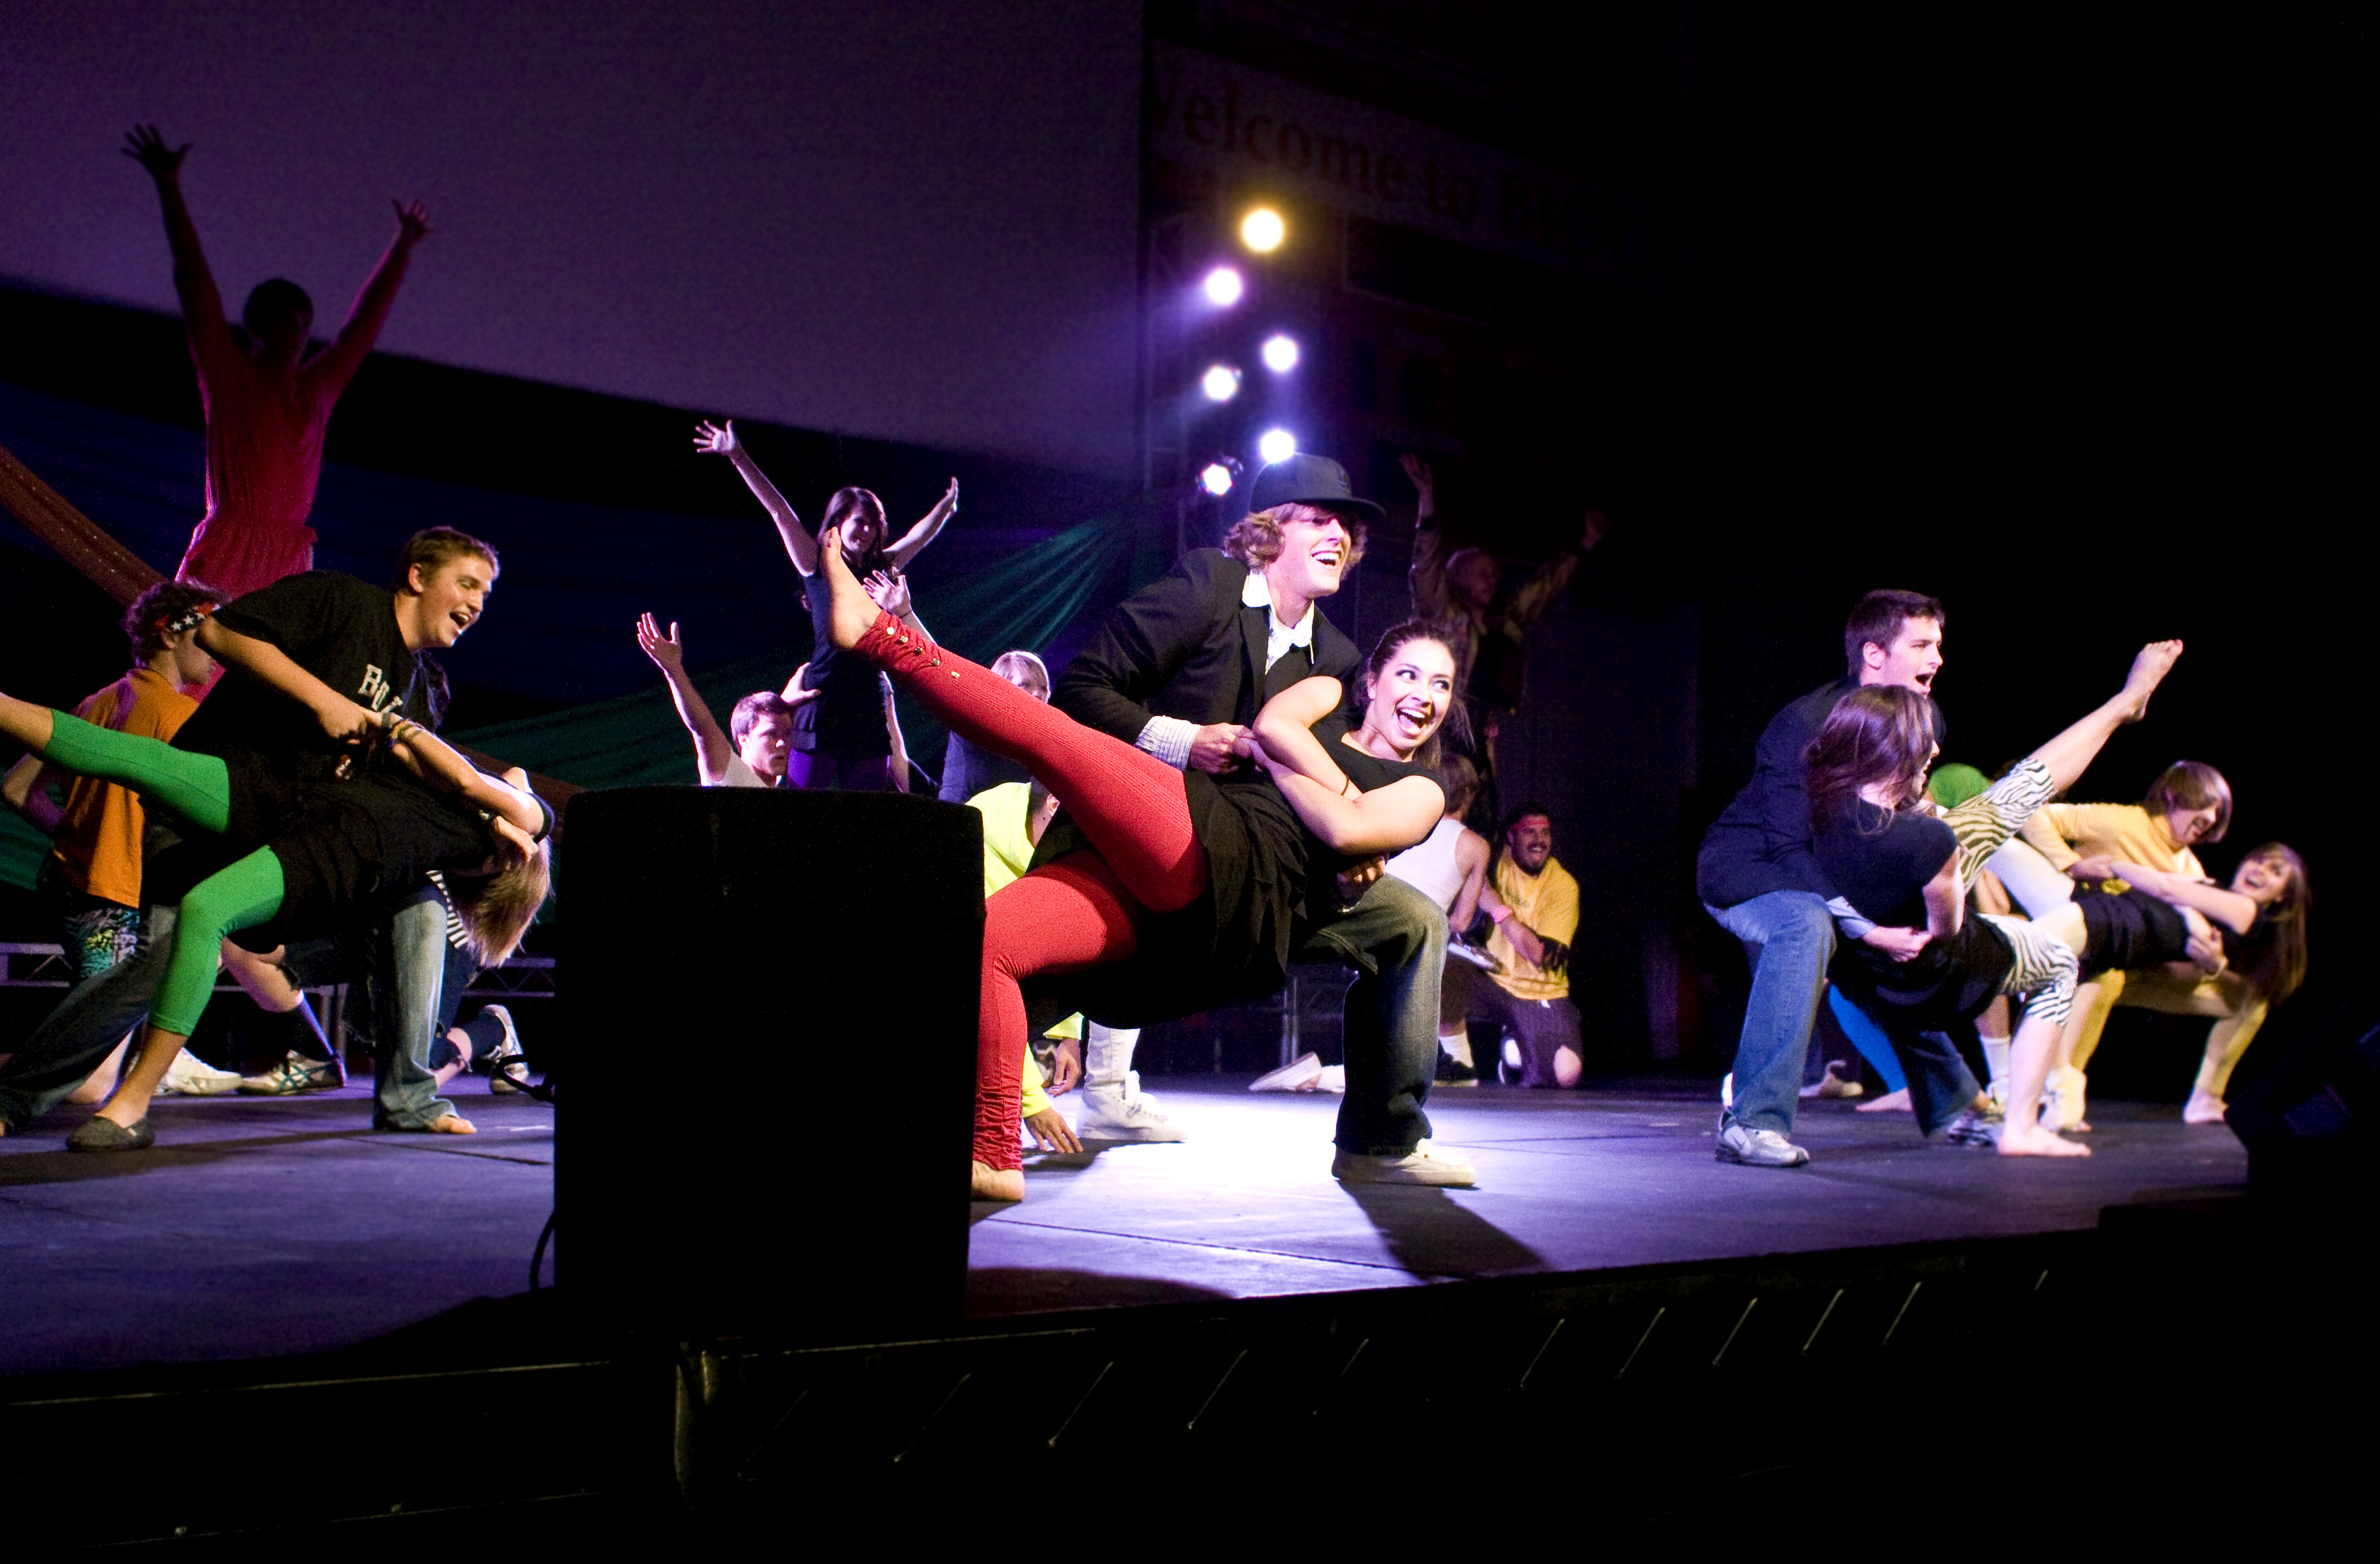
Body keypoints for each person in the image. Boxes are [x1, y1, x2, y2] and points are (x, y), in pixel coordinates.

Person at [810, 520, 1458, 1200]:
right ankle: (994, 1152)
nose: (1422, 695)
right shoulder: (1319, 686)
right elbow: (1270, 725)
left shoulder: (1421, 788)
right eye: (1408, 675)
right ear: (1372, 681)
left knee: (1054, 740)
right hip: (1178, 845)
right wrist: (1295, 768)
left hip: (1228, 864)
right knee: (987, 944)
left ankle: (882, 635)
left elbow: (1345, 820)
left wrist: (1301, 781)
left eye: (1441, 687)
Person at [1048, 454, 1449, 1157]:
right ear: (1268, 532)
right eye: (1319, 518)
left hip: (1261, 871)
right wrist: (1183, 740)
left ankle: (1382, 1142)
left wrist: (1355, 852)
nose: (1339, 535)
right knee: (1040, 963)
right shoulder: (1210, 585)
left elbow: (1309, 772)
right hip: (1154, 840)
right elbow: (1081, 689)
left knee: (1413, 922)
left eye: (1348, 526)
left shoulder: (1335, 655)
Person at [0, 679, 550, 1152]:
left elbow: (476, 782)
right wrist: (469, 789)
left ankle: (135, 1100)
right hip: (307, 815)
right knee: (149, 780)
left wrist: (402, 729)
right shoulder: (497, 816)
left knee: (208, 912)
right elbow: (503, 778)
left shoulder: (483, 842)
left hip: (339, 852)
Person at [1807, 640, 2185, 1159]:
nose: (1935, 751)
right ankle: (2021, 1123)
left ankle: (2123, 705)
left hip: (1876, 977)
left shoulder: (1825, 820)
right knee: (2055, 963)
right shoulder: (1929, 840)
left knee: (2018, 791)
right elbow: (1945, 929)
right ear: (1895, 752)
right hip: (1936, 972)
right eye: (1924, 742)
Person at [124, 126, 431, 602]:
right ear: (256, 327)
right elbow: (196, 287)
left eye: (305, 324)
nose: (300, 334)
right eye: (288, 323)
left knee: (265, 675)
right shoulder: (231, 377)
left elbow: (360, 330)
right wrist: (168, 186)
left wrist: (401, 249)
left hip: (287, 555)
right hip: (230, 542)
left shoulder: (315, 392)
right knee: (187, 669)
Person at [1696, 590, 1949, 1168]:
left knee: (1892, 954)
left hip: (1826, 873)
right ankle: (1751, 1124)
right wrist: (1863, 926)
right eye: (1920, 645)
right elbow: (1786, 845)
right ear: (1874, 654)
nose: (1935, 657)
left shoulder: (1922, 719)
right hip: (1748, 865)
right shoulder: (1805, 723)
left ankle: (1963, 1108)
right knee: (1806, 924)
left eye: (1938, 644)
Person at [0, 579, 241, 1100]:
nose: (219, 652)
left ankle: (157, 1055)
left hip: (74, 884)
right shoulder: (179, 717)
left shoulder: (98, 701)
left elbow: (16, 787)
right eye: (210, 634)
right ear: (173, 635)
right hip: (114, 900)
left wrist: (77, 832)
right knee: (89, 1084)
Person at [692, 418, 956, 790]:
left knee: (865, 813)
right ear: (838, 521)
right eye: (859, 522)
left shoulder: (882, 569)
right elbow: (780, 512)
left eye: (874, 525)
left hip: (867, 706)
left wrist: (946, 508)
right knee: (802, 807)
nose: (867, 531)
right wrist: (737, 456)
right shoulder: (816, 564)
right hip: (822, 702)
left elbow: (918, 536)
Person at [2037, 842, 2309, 1126]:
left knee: (2251, 999)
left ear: (2283, 896)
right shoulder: (2210, 884)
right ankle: (2062, 1089)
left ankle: (2204, 1097)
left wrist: (2215, 965)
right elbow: (2165, 887)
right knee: (2105, 977)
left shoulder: (2244, 907)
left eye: (2275, 871)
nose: (2261, 870)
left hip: (2140, 971)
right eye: (2259, 860)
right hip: (2123, 961)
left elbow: (2168, 891)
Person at [1402, 454, 1606, 830]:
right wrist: (1427, 501)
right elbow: (1426, 565)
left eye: (1495, 574)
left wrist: (1587, 542)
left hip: (1481, 733)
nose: (1492, 579)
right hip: (1443, 729)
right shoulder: (1441, 612)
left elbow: (1543, 589)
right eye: (1482, 573)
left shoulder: (1504, 619)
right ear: (1459, 576)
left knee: (1482, 820)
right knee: (1433, 812)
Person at [1383, 754, 1502, 1084]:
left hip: (1369, 930)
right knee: (1453, 960)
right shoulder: (1476, 846)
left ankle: (1451, 1066)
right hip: (1412, 943)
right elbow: (1462, 922)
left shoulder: (1403, 822)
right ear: (1470, 794)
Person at [1470, 804, 1585, 1087]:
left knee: (1566, 1074)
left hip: (1538, 990)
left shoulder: (1562, 885)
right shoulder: (1494, 864)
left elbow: (1539, 955)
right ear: (1510, 838)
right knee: (1438, 976)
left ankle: (1515, 1051)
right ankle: (1452, 1065)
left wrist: (1498, 909)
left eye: (1545, 833)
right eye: (1530, 833)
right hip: (1490, 980)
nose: (1539, 841)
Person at [634, 612, 817, 788]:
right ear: (743, 740)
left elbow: (771, 720)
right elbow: (703, 728)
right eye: (771, 735)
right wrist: (674, 671)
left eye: (787, 734)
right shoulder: (730, 775)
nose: (782, 743)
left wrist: (784, 705)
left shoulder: (777, 781)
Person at [940, 652, 1052, 803]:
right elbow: (943, 669)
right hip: (960, 818)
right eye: (1025, 685)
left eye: (1043, 688)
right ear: (1000, 686)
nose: (1037, 694)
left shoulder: (1041, 747)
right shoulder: (976, 722)